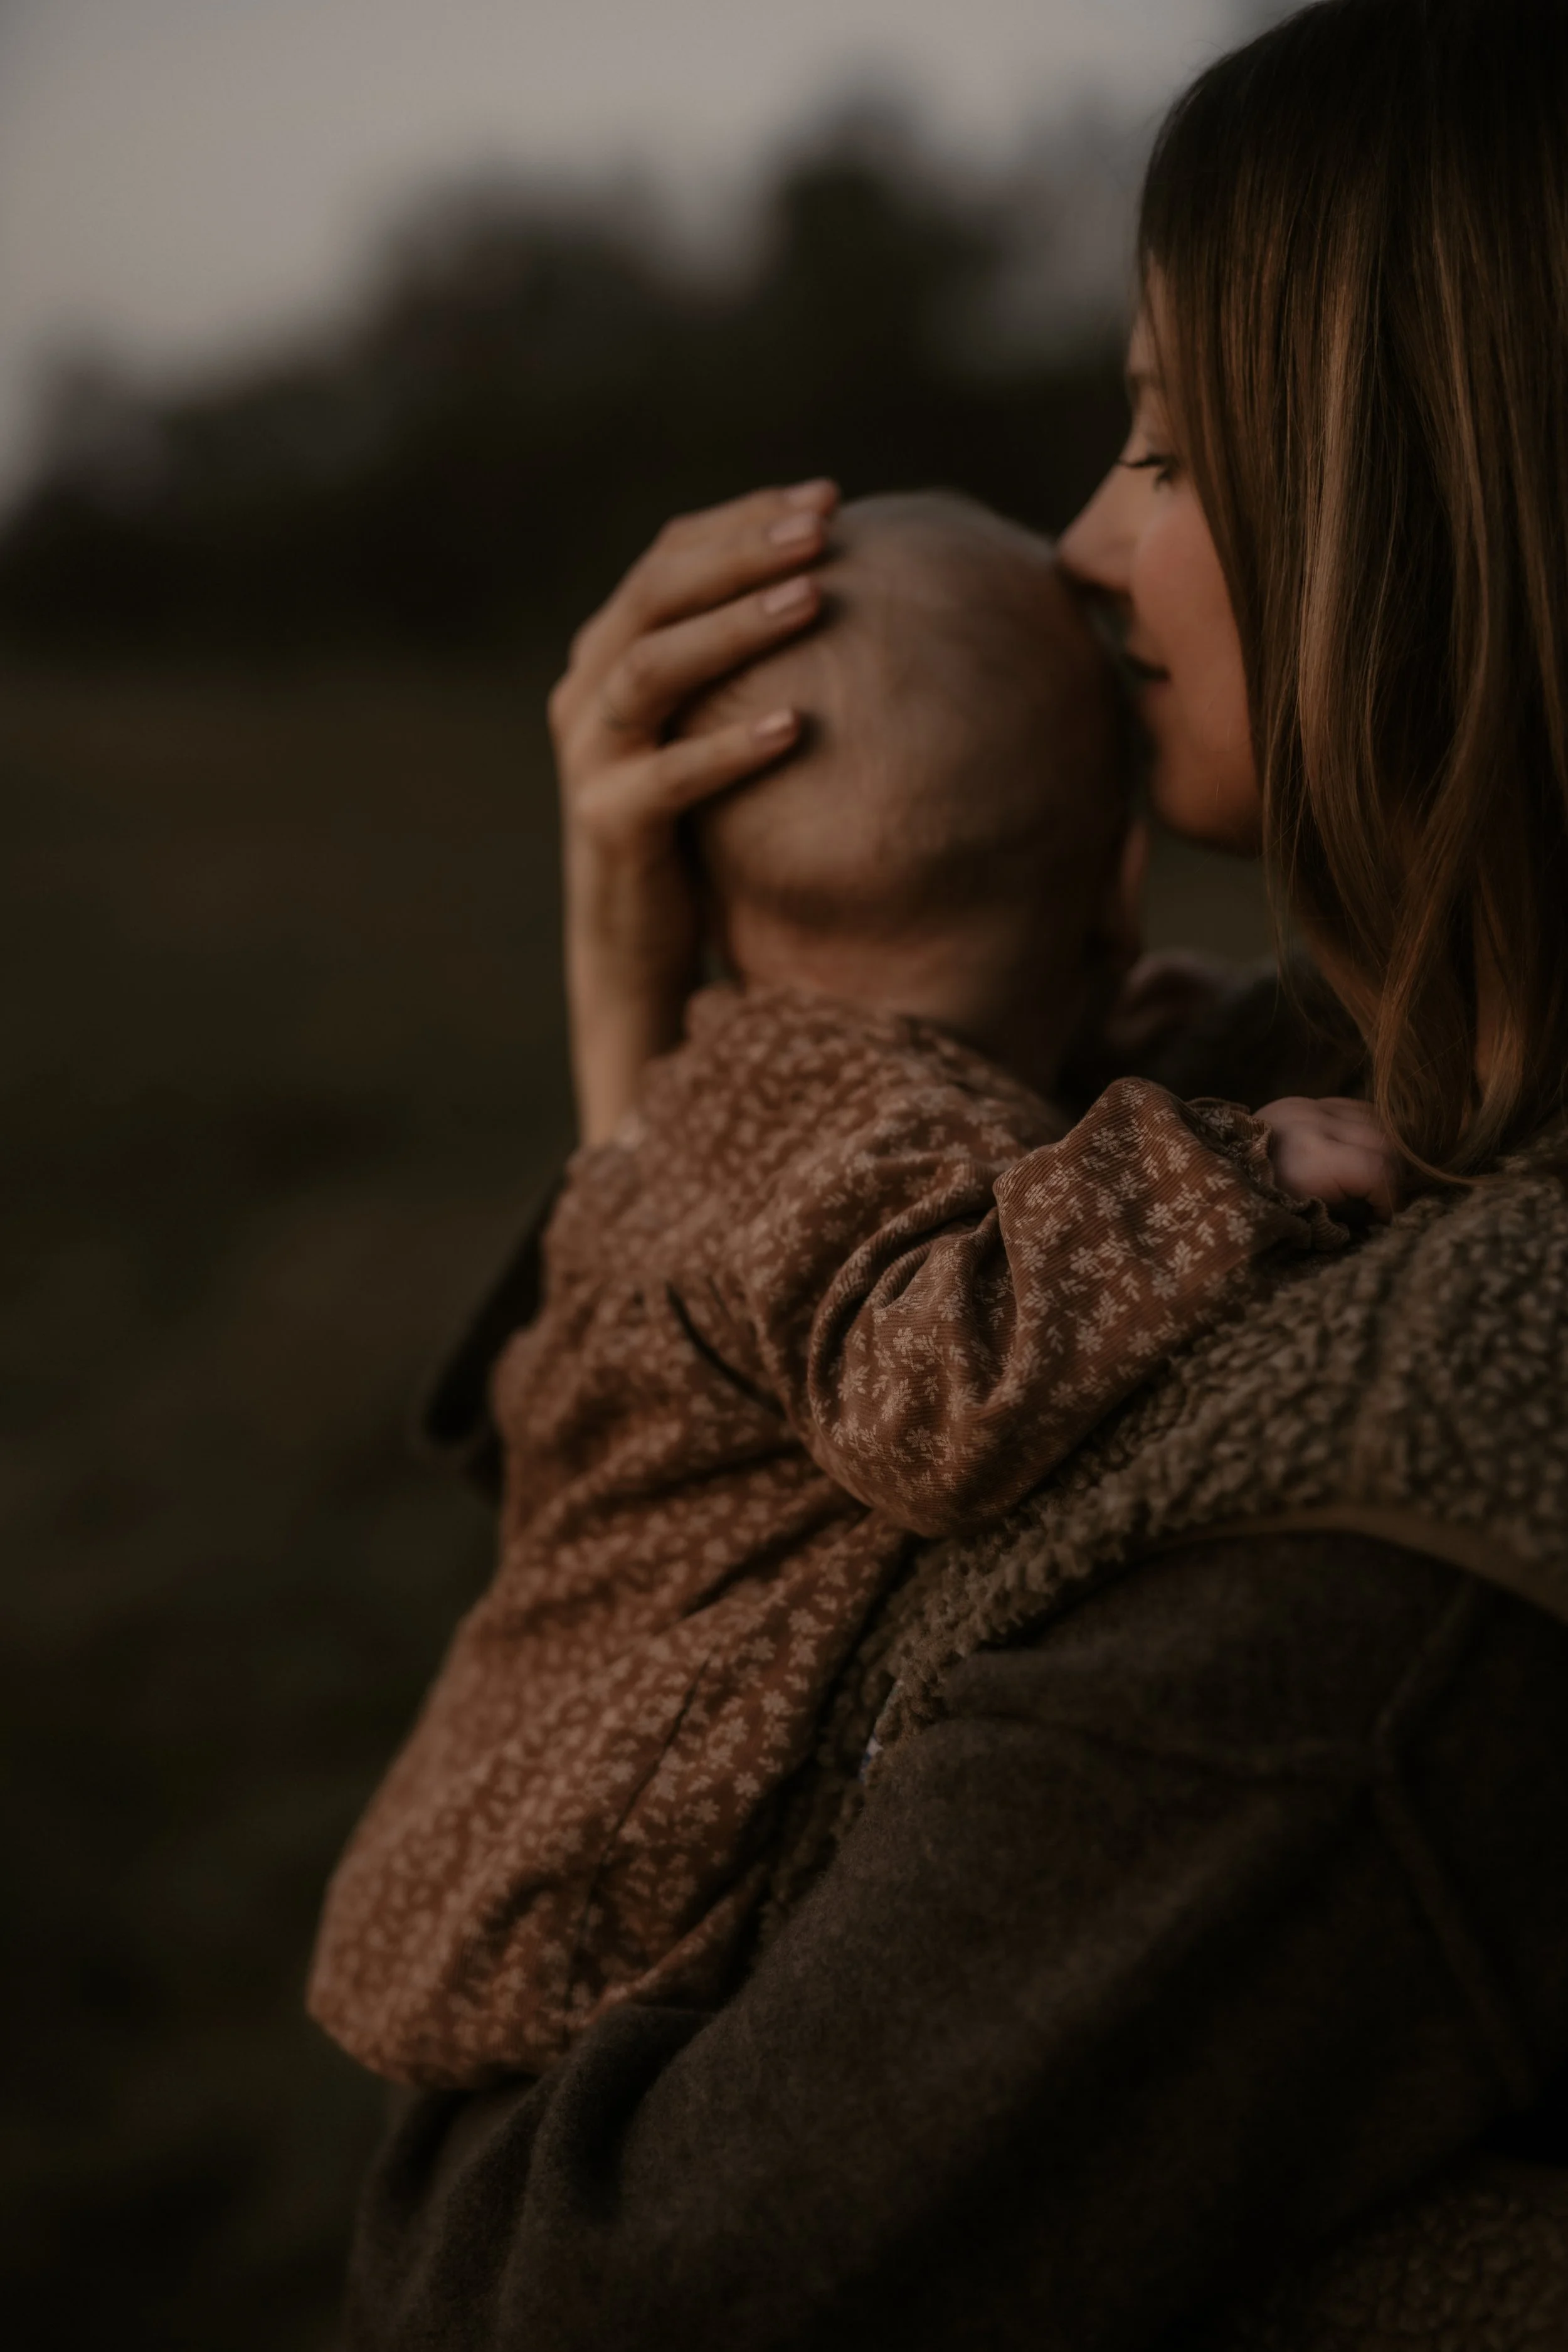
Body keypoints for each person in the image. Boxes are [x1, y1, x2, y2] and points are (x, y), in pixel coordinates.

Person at [342, 4, 1568, 2344]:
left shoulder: (1413, 1494)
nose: (1090, 538)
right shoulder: (1318, 1063)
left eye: (1177, 449)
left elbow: (561, 2300)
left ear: (1454, 501)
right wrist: (679, 1048)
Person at [307, 494, 1380, 2092]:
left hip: (506, 1796)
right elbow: (924, 1396)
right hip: (569, 1894)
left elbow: (1024, 1113)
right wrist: (1223, 1171)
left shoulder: (770, 1079)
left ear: (713, 905)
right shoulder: (857, 1122)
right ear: (1119, 876)